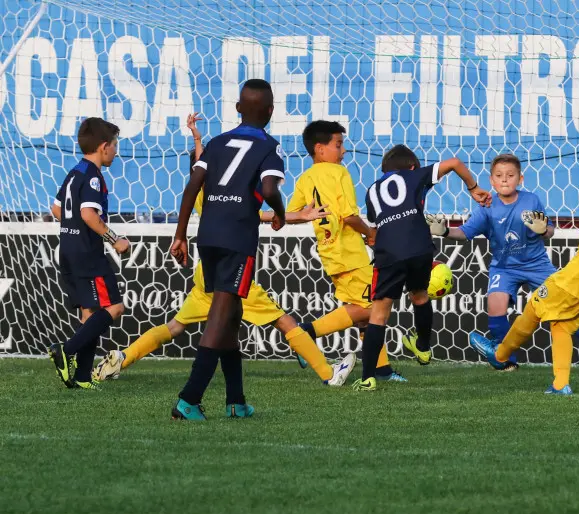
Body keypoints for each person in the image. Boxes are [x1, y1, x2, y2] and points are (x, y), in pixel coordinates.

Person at [95, 112, 355, 388]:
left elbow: (200, 164)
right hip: (231, 266)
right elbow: (259, 214)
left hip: (205, 271)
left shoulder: (200, 192)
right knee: (284, 321)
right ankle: (329, 374)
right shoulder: (225, 190)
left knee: (175, 326)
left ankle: (122, 358)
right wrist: (298, 216)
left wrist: (197, 138)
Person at [428, 153, 579, 372]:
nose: (505, 179)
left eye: (510, 175)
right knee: (496, 305)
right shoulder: (486, 206)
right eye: (499, 175)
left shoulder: (531, 200)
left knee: (569, 310)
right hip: (504, 267)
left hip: (537, 264)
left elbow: (550, 231)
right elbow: (465, 233)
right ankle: (507, 359)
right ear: (491, 181)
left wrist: (543, 230)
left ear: (520, 179)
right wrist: (445, 231)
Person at [471, 147, 579, 394]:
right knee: (561, 325)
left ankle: (500, 354)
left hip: (576, 280)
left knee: (535, 307)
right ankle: (561, 384)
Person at [169, 79, 286, 420]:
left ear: (237, 109)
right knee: (221, 313)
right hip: (238, 237)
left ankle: (235, 400)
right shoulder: (269, 146)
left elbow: (193, 185)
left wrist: (179, 235)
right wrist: (278, 213)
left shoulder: (217, 143)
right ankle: (188, 399)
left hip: (208, 235)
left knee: (232, 313)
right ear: (271, 111)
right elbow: (268, 187)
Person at [352, 145, 492, 391]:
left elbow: (374, 228)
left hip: (389, 251)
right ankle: (425, 348)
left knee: (379, 313)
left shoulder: (372, 190)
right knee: (419, 295)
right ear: (413, 166)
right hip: (419, 246)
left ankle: (367, 378)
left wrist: (373, 238)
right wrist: (473, 188)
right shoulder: (416, 174)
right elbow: (455, 163)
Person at [285, 120, 406, 382]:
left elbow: (291, 214)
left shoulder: (305, 178)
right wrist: (370, 233)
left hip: (330, 252)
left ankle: (381, 369)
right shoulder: (339, 173)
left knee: (362, 311)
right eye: (338, 145)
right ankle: (307, 332)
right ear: (320, 149)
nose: (343, 151)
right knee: (374, 306)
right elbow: (349, 215)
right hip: (349, 253)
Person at [49, 117, 130, 390]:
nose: (116, 151)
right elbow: (87, 214)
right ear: (104, 146)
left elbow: (57, 209)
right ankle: (66, 349)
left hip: (68, 250)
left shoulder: (75, 172)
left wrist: (73, 232)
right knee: (114, 307)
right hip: (87, 253)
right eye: (115, 145)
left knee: (89, 313)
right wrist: (114, 239)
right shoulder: (93, 176)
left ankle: (83, 377)